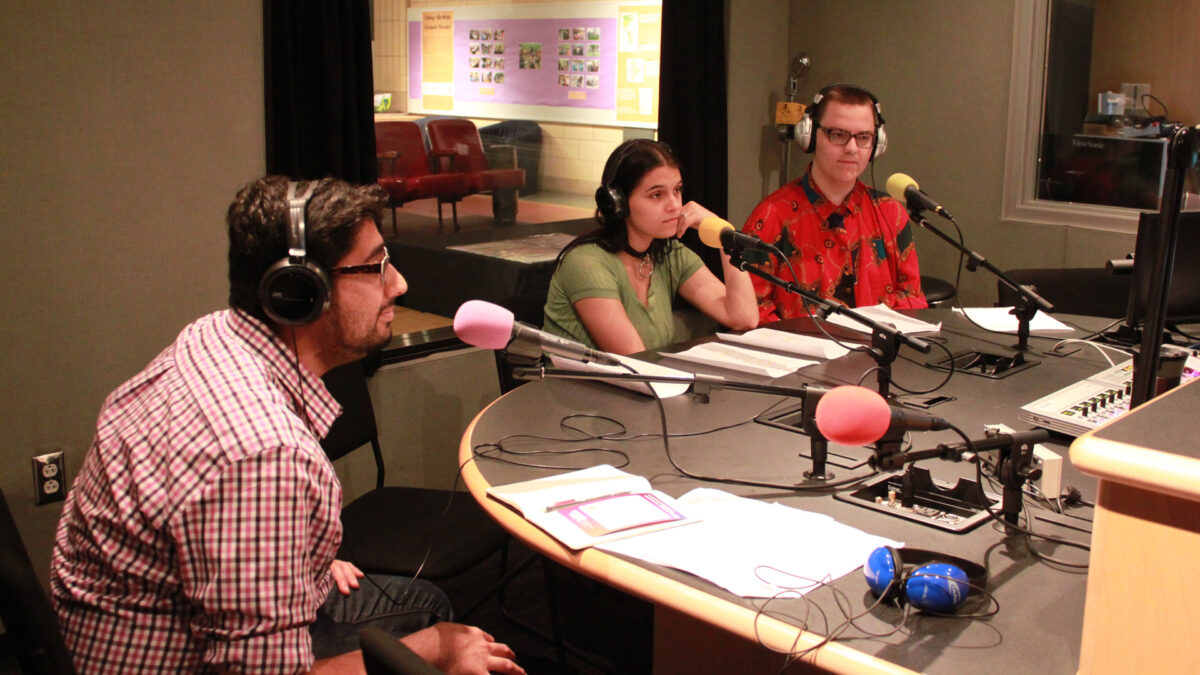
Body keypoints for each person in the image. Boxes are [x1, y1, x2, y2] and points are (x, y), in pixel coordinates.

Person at [49, 176, 524, 675]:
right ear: (300, 292)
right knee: (436, 629)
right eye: (376, 266)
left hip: (154, 619)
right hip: (172, 660)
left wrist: (298, 558)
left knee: (423, 600)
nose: (398, 284)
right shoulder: (263, 455)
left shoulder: (214, 335)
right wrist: (436, 649)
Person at [543, 139, 758, 354]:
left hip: (648, 374)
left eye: (677, 190)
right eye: (657, 195)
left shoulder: (669, 254)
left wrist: (722, 231)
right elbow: (634, 359)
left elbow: (744, 318)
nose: (675, 205)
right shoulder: (585, 263)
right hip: (590, 377)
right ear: (618, 202)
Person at [741, 83, 927, 322]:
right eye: (838, 135)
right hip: (801, 346)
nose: (852, 148)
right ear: (809, 136)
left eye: (863, 137)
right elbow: (752, 310)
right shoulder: (772, 216)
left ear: (877, 144)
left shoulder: (890, 213)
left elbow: (912, 300)